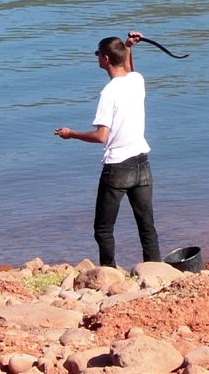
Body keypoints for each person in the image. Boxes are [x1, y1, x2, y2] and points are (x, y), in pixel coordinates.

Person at [54, 31, 161, 267]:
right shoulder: (137, 81)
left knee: (103, 229)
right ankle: (155, 270)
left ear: (104, 58)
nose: (96, 58)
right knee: (146, 225)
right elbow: (130, 70)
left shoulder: (108, 93)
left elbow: (102, 136)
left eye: (97, 55)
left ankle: (108, 273)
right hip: (142, 163)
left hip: (117, 168)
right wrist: (129, 47)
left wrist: (71, 134)